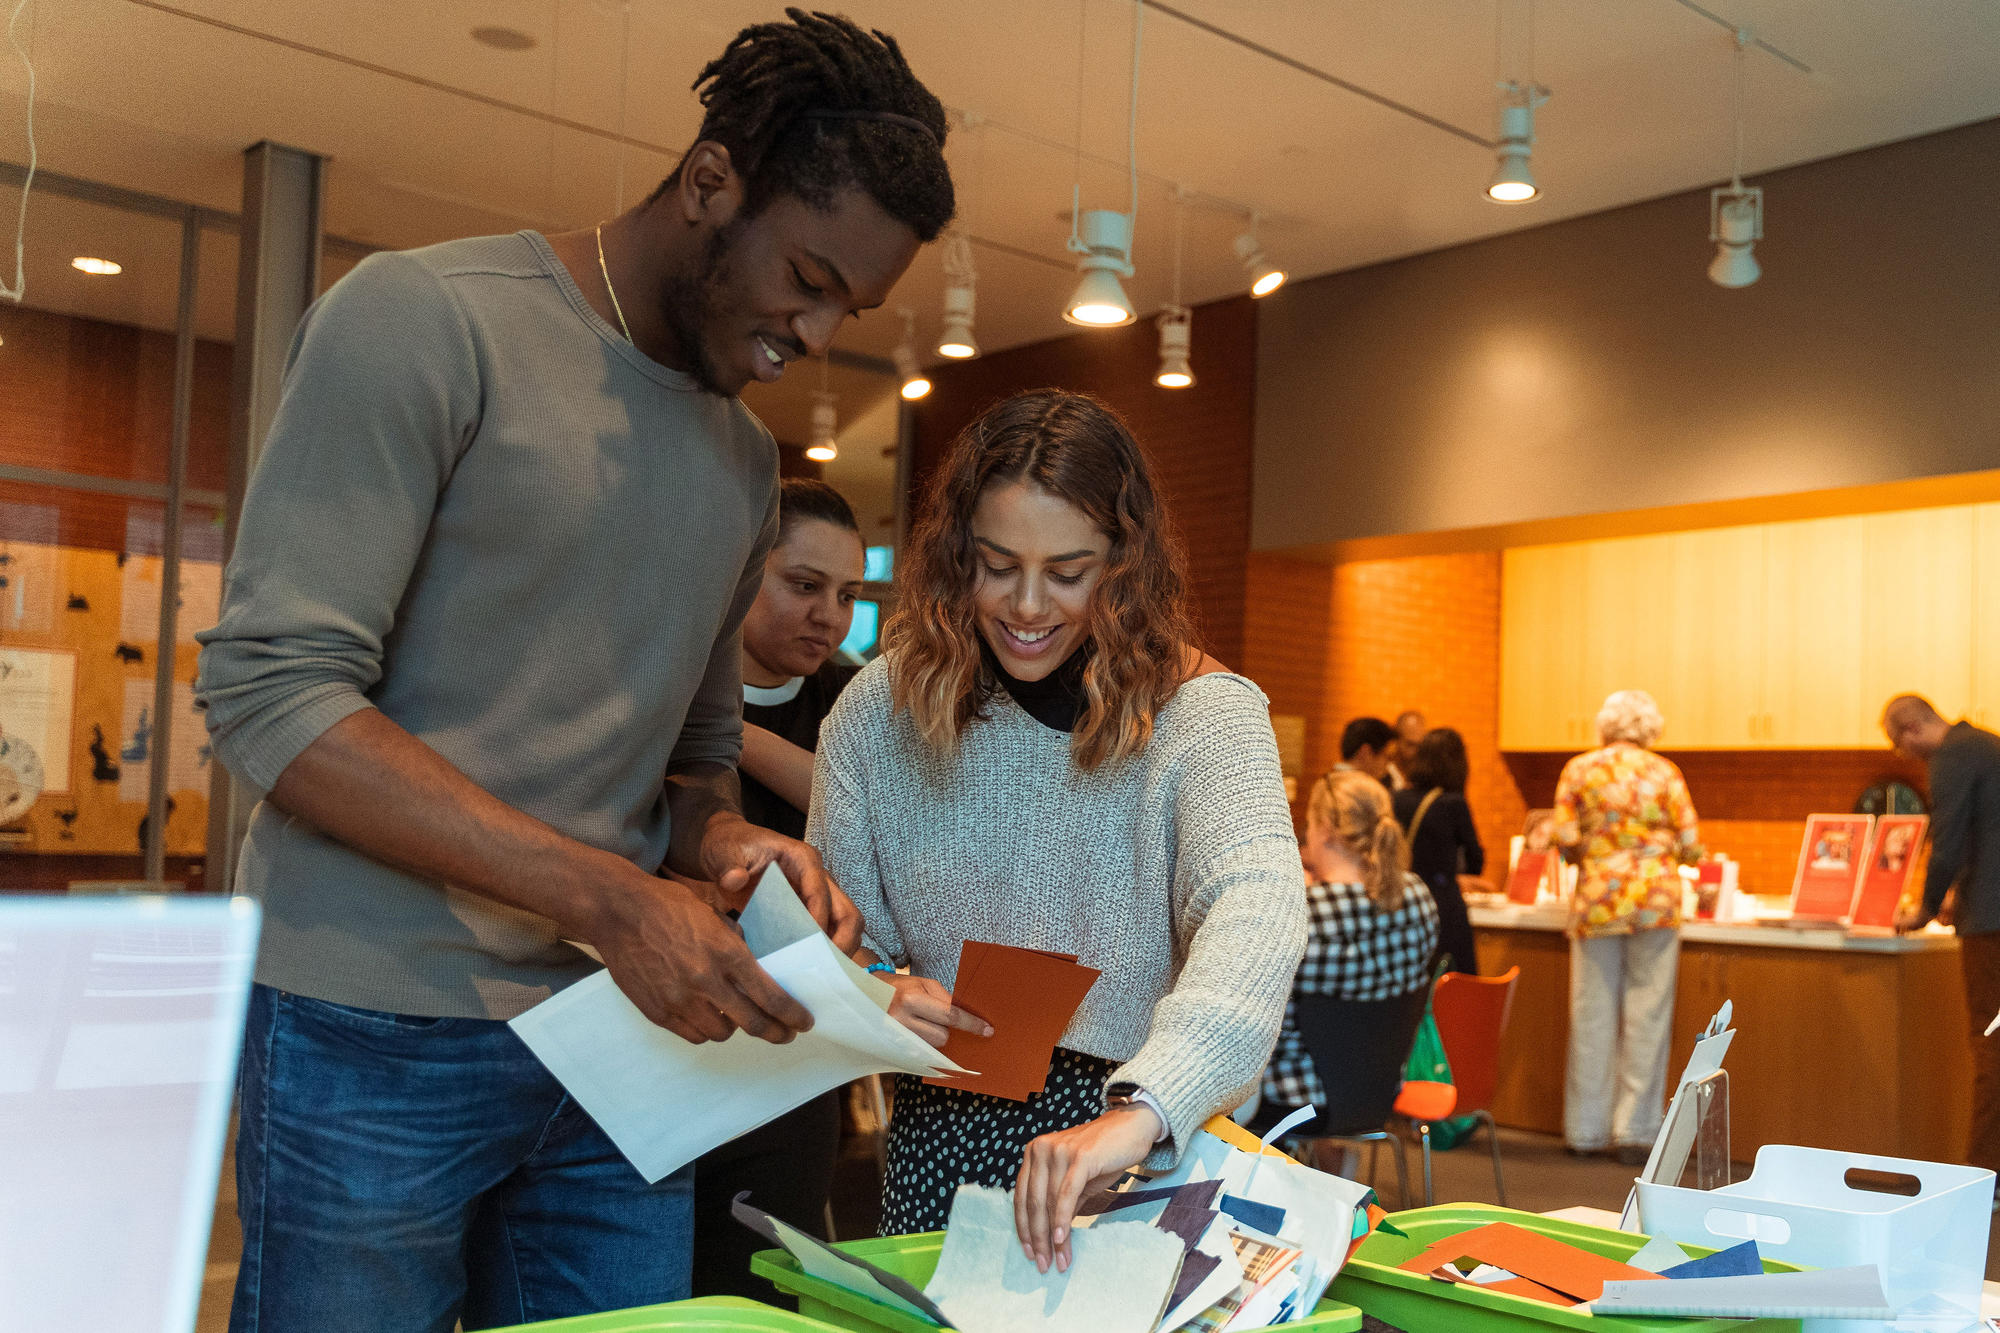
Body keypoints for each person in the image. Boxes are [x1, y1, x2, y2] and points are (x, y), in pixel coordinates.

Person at [194, 14, 954, 1330]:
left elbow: (687, 771)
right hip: (366, 1024)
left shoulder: (739, 471)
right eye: (808, 276)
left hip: (616, 1052)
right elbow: (275, 697)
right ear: (712, 181)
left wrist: (732, 855)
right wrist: (607, 898)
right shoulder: (425, 320)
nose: (817, 332)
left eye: (852, 307)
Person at [808, 389, 1306, 1273]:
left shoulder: (1205, 717)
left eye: (1067, 573)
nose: (1028, 606)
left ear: (1124, 565)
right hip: (941, 1139)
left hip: (1138, 1137)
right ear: (956, 551)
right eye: (998, 565)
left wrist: (1146, 1107)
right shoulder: (876, 714)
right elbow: (834, 933)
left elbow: (1257, 916)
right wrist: (871, 991)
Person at [691, 478, 865, 1298]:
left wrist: (734, 729)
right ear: (741, 571)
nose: (828, 613)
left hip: (798, 1064)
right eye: (803, 584)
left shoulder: (854, 700)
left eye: (847, 593)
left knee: (767, 1292)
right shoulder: (672, 679)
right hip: (673, 1044)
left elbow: (853, 799)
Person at [1552, 690, 1701, 1166]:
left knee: (1591, 1012)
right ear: (1650, 728)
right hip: (1656, 901)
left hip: (1598, 900)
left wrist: (1597, 852)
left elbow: (1566, 837)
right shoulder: (1665, 772)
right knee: (1648, 1015)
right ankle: (1635, 1131)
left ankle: (1586, 1130)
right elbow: (1693, 844)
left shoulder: (1579, 769)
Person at [1262, 769, 1440, 1120]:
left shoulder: (1298, 912)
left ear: (1325, 829)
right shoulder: (1418, 897)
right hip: (1378, 1091)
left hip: (1294, 1098)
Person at [1881, 693, 2000, 1179]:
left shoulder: (1952, 755)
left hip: (1992, 922)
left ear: (1911, 728)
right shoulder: (1987, 745)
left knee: (1990, 1040)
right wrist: (1959, 893)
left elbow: (1948, 835)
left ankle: (1985, 1174)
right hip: (1987, 903)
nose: (1906, 758)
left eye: (1899, 746)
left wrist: (1927, 907)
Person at [1393, 726, 1486, 976]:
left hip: (1401, 899)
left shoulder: (1396, 798)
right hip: (1442, 904)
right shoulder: (1452, 803)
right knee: (1452, 983)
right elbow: (1475, 861)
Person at [1335, 716, 1398, 786]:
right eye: (1387, 757)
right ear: (1365, 752)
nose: (1388, 765)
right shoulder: (1367, 790)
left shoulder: (1324, 782)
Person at [1391, 709, 1427, 789]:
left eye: (1420, 745)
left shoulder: (1425, 773)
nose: (1416, 751)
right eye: (1410, 745)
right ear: (1396, 741)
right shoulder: (1383, 772)